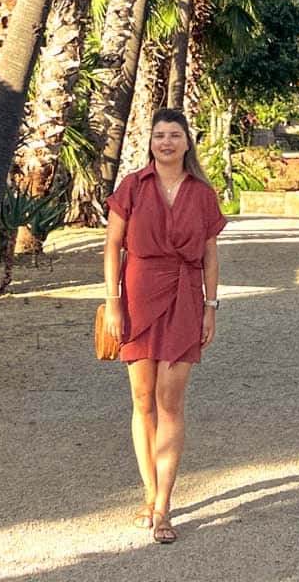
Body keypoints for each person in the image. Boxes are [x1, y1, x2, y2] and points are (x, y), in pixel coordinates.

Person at [103, 108, 227, 545]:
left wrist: (211, 307)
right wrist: (113, 304)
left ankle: (164, 507)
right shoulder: (133, 187)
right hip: (136, 296)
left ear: (187, 142)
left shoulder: (202, 193)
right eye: (160, 135)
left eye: (175, 135)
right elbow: (112, 247)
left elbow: (211, 257)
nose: (167, 142)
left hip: (185, 298)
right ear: (151, 141)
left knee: (169, 400)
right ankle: (149, 492)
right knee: (142, 400)